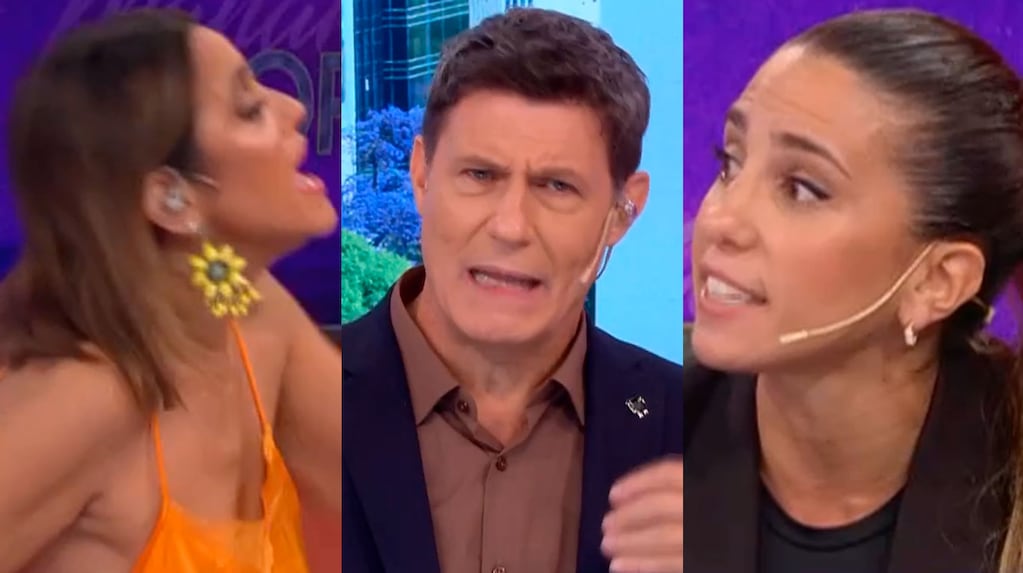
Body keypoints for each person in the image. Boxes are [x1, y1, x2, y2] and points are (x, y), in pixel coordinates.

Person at [342, 8, 683, 573]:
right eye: (480, 175)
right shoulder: (291, 403)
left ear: (623, 212)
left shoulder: (696, 436)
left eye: (557, 186)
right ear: (422, 175)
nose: (510, 226)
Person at [0, 9, 341, 573]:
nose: (296, 108)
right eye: (250, 108)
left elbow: (395, 478)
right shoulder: (83, 401)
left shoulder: (254, 311)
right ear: (170, 198)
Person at [684, 8, 1023, 573]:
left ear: (937, 281)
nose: (720, 219)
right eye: (731, 163)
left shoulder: (1007, 483)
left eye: (802, 189)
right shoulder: (638, 425)